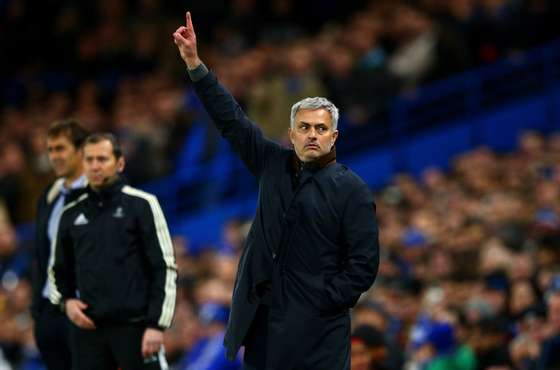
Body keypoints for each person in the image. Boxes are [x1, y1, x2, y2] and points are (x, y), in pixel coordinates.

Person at [173, 12, 379, 370]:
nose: (312, 134)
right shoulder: (272, 164)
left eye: (320, 128)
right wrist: (196, 65)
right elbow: (231, 119)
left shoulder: (352, 190)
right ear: (292, 133)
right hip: (264, 324)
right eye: (304, 127)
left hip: (318, 333)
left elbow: (364, 265)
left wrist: (322, 301)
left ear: (334, 137)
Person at [48, 133, 177, 370]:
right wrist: (66, 302)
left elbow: (165, 267)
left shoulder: (142, 204)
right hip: (89, 334)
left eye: (102, 159)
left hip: (137, 329)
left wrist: (157, 325)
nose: (95, 166)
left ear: (119, 163)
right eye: (89, 160)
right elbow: (56, 270)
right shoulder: (70, 214)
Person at [31, 119, 88, 370]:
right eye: (50, 150)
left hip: (83, 312)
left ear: (80, 150)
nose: (54, 156)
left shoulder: (99, 195)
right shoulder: (49, 196)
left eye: (60, 148)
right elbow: (41, 253)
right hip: (49, 314)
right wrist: (38, 310)